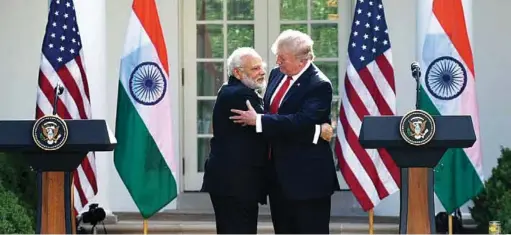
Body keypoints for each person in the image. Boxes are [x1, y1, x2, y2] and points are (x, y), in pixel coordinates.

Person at [201, 47, 333, 234]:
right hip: (234, 184)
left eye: (261, 66)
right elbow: (271, 127)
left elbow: (269, 123)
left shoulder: (231, 89)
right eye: (254, 69)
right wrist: (317, 130)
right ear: (237, 72)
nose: (262, 72)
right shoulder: (240, 95)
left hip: (233, 183)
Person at [230, 30, 340, 234]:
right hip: (278, 176)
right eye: (277, 56)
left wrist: (259, 121)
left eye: (283, 58)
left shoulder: (319, 84)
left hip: (307, 180)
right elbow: (272, 109)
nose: (277, 61)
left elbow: (300, 121)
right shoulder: (277, 73)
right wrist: (316, 131)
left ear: (302, 60)